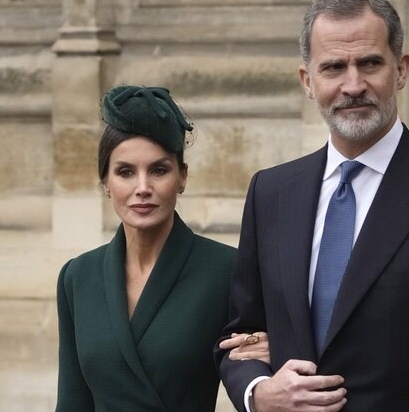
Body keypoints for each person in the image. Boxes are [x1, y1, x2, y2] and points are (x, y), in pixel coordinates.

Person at [215, 0, 409, 411]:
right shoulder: (271, 193)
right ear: (308, 81)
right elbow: (242, 337)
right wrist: (258, 393)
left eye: (370, 63)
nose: (353, 85)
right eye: (334, 67)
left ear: (401, 69)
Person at [55, 85, 269, 412]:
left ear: (182, 177)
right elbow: (73, 401)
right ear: (105, 183)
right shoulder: (77, 276)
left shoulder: (225, 269)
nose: (143, 188)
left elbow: (256, 367)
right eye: (125, 172)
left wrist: (273, 347)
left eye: (159, 170)